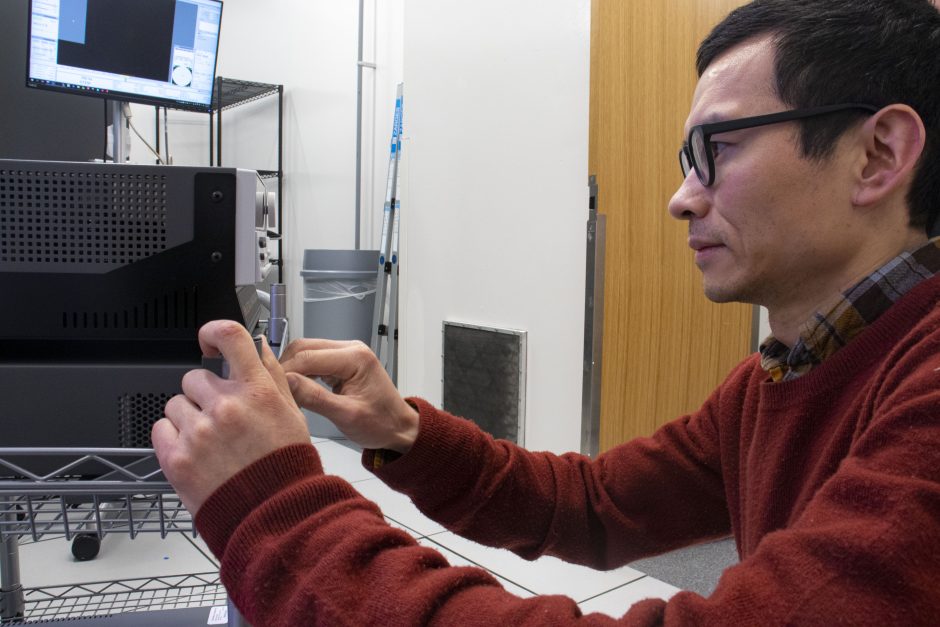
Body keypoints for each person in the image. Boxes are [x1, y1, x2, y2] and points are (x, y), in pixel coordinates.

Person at [152, 0, 940, 624]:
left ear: (877, 154)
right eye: (684, 160)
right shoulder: (782, 373)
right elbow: (592, 506)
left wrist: (274, 509)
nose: (681, 197)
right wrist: (403, 432)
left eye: (719, 149)